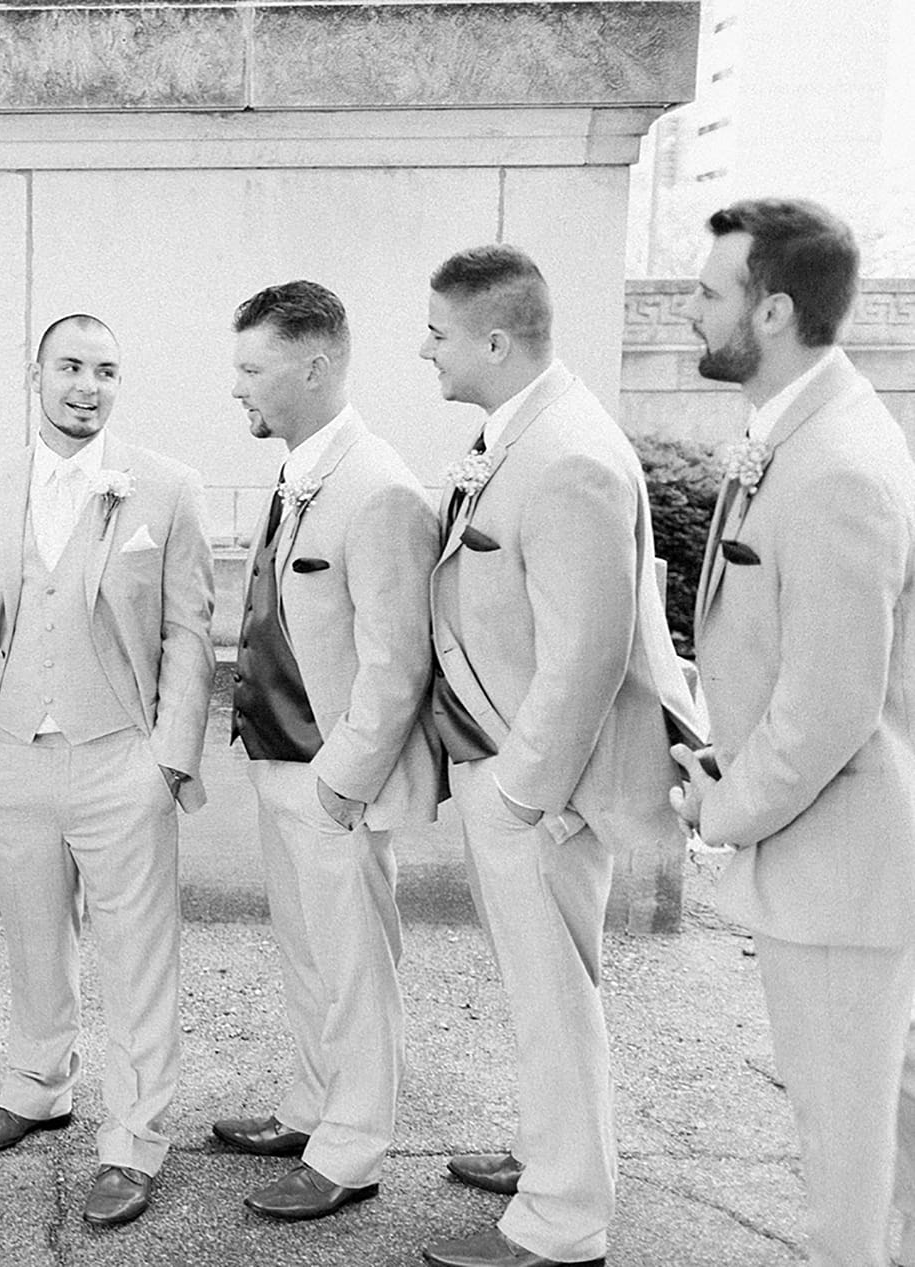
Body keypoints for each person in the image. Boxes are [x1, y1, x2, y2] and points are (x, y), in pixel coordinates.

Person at [420, 247, 699, 1267]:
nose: (425, 349)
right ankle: (547, 1153)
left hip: (543, 784)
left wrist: (521, 790)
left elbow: (588, 651)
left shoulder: (569, 452)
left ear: (495, 341)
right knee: (538, 990)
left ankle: (562, 1220)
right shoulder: (527, 431)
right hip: (515, 770)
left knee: (555, 995)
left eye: (439, 333)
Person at [671, 198, 915, 1267]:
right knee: (872, 1140)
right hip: (835, 856)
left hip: (843, 866)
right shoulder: (805, 432)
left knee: (844, 1153)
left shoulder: (839, 465)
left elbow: (830, 706)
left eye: (707, 292)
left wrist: (723, 809)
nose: (689, 308)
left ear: (769, 311)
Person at [0, 314, 215, 1227]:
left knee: (138, 956)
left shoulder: (167, 488)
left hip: (120, 761)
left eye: (106, 370)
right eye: (71, 367)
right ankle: (35, 1084)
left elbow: (188, 631)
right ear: (36, 373)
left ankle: (133, 1138)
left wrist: (167, 759)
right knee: (31, 936)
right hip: (10, 759)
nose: (87, 386)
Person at [210, 282, 441, 1221]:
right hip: (278, 760)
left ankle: (353, 1147)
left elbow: (396, 663)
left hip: (331, 776)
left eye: (252, 368)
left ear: (313, 365)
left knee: (355, 965)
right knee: (307, 955)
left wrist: (341, 785)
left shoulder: (378, 484)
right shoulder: (303, 466)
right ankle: (312, 1104)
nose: (238, 389)